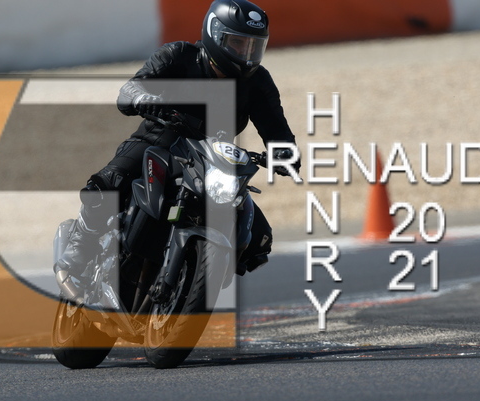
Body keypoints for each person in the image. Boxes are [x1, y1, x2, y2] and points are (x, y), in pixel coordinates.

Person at [55, 0, 300, 277]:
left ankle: (193, 273)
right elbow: (130, 90)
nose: (245, 53)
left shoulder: (258, 82)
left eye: (253, 46)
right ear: (215, 35)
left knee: (258, 240)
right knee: (109, 183)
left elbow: (277, 129)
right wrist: (142, 98)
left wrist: (285, 153)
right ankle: (80, 246)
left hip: (212, 157)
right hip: (158, 141)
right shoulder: (178, 55)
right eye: (237, 43)